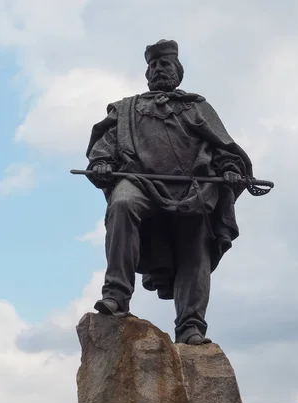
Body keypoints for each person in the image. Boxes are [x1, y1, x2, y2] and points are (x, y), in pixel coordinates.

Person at [84, 39, 253, 345]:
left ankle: (190, 325)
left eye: (165, 64)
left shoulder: (197, 106)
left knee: (197, 240)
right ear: (146, 73)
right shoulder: (126, 108)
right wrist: (102, 162)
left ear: (178, 71)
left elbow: (223, 146)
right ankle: (116, 296)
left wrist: (229, 166)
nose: (158, 69)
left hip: (192, 187)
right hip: (138, 180)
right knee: (121, 203)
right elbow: (104, 145)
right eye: (153, 65)